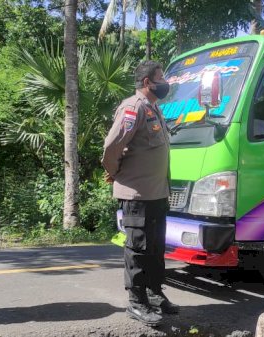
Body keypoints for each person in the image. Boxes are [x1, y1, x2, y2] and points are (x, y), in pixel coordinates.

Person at [101, 60, 179, 327]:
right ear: (148, 82)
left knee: (156, 248)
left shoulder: (153, 108)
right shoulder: (132, 108)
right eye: (161, 77)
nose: (164, 82)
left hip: (157, 192)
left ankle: (154, 294)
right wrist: (116, 172)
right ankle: (136, 301)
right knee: (138, 248)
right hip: (137, 193)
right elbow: (112, 147)